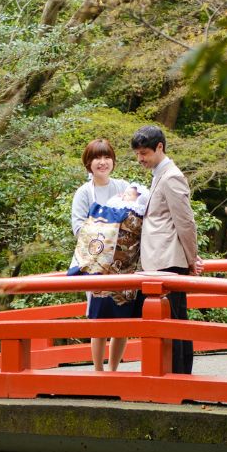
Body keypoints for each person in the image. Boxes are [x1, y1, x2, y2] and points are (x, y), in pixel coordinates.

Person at [69, 138, 147, 371]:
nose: (102, 162)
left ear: (113, 161)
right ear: (88, 163)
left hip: (123, 262)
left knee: (121, 315)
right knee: (100, 317)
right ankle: (98, 371)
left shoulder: (124, 186)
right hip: (96, 263)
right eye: (96, 158)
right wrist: (108, 230)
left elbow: (137, 216)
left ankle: (114, 369)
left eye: (106, 157)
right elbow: (79, 228)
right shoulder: (84, 193)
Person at [132, 124, 201, 375]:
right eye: (138, 154)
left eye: (144, 153)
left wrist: (191, 259)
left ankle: (179, 375)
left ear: (159, 147)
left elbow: (185, 221)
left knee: (175, 321)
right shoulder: (159, 175)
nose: (140, 159)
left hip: (168, 261)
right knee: (171, 320)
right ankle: (175, 374)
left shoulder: (171, 177)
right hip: (160, 260)